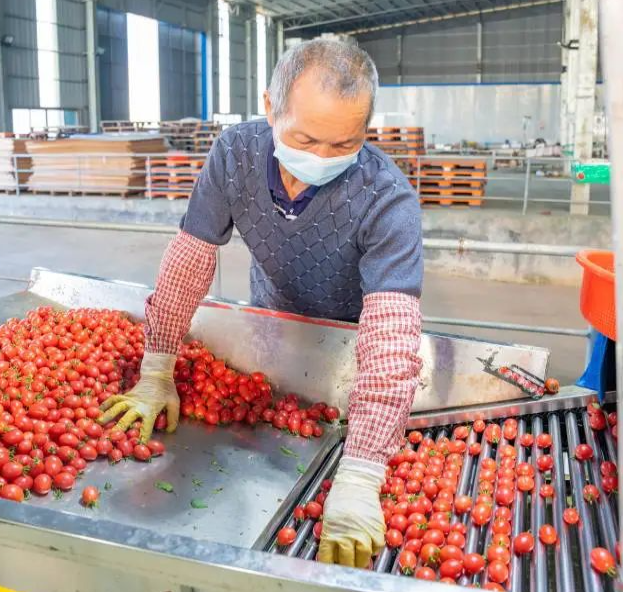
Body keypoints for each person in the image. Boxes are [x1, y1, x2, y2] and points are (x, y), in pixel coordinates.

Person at [100, 38, 423, 568]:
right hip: (271, 320)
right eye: (306, 138)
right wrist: (156, 368)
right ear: (271, 108)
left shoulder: (387, 199)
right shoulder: (236, 155)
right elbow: (189, 262)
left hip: (351, 346)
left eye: (344, 144)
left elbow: (390, 337)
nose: (321, 158)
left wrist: (362, 474)